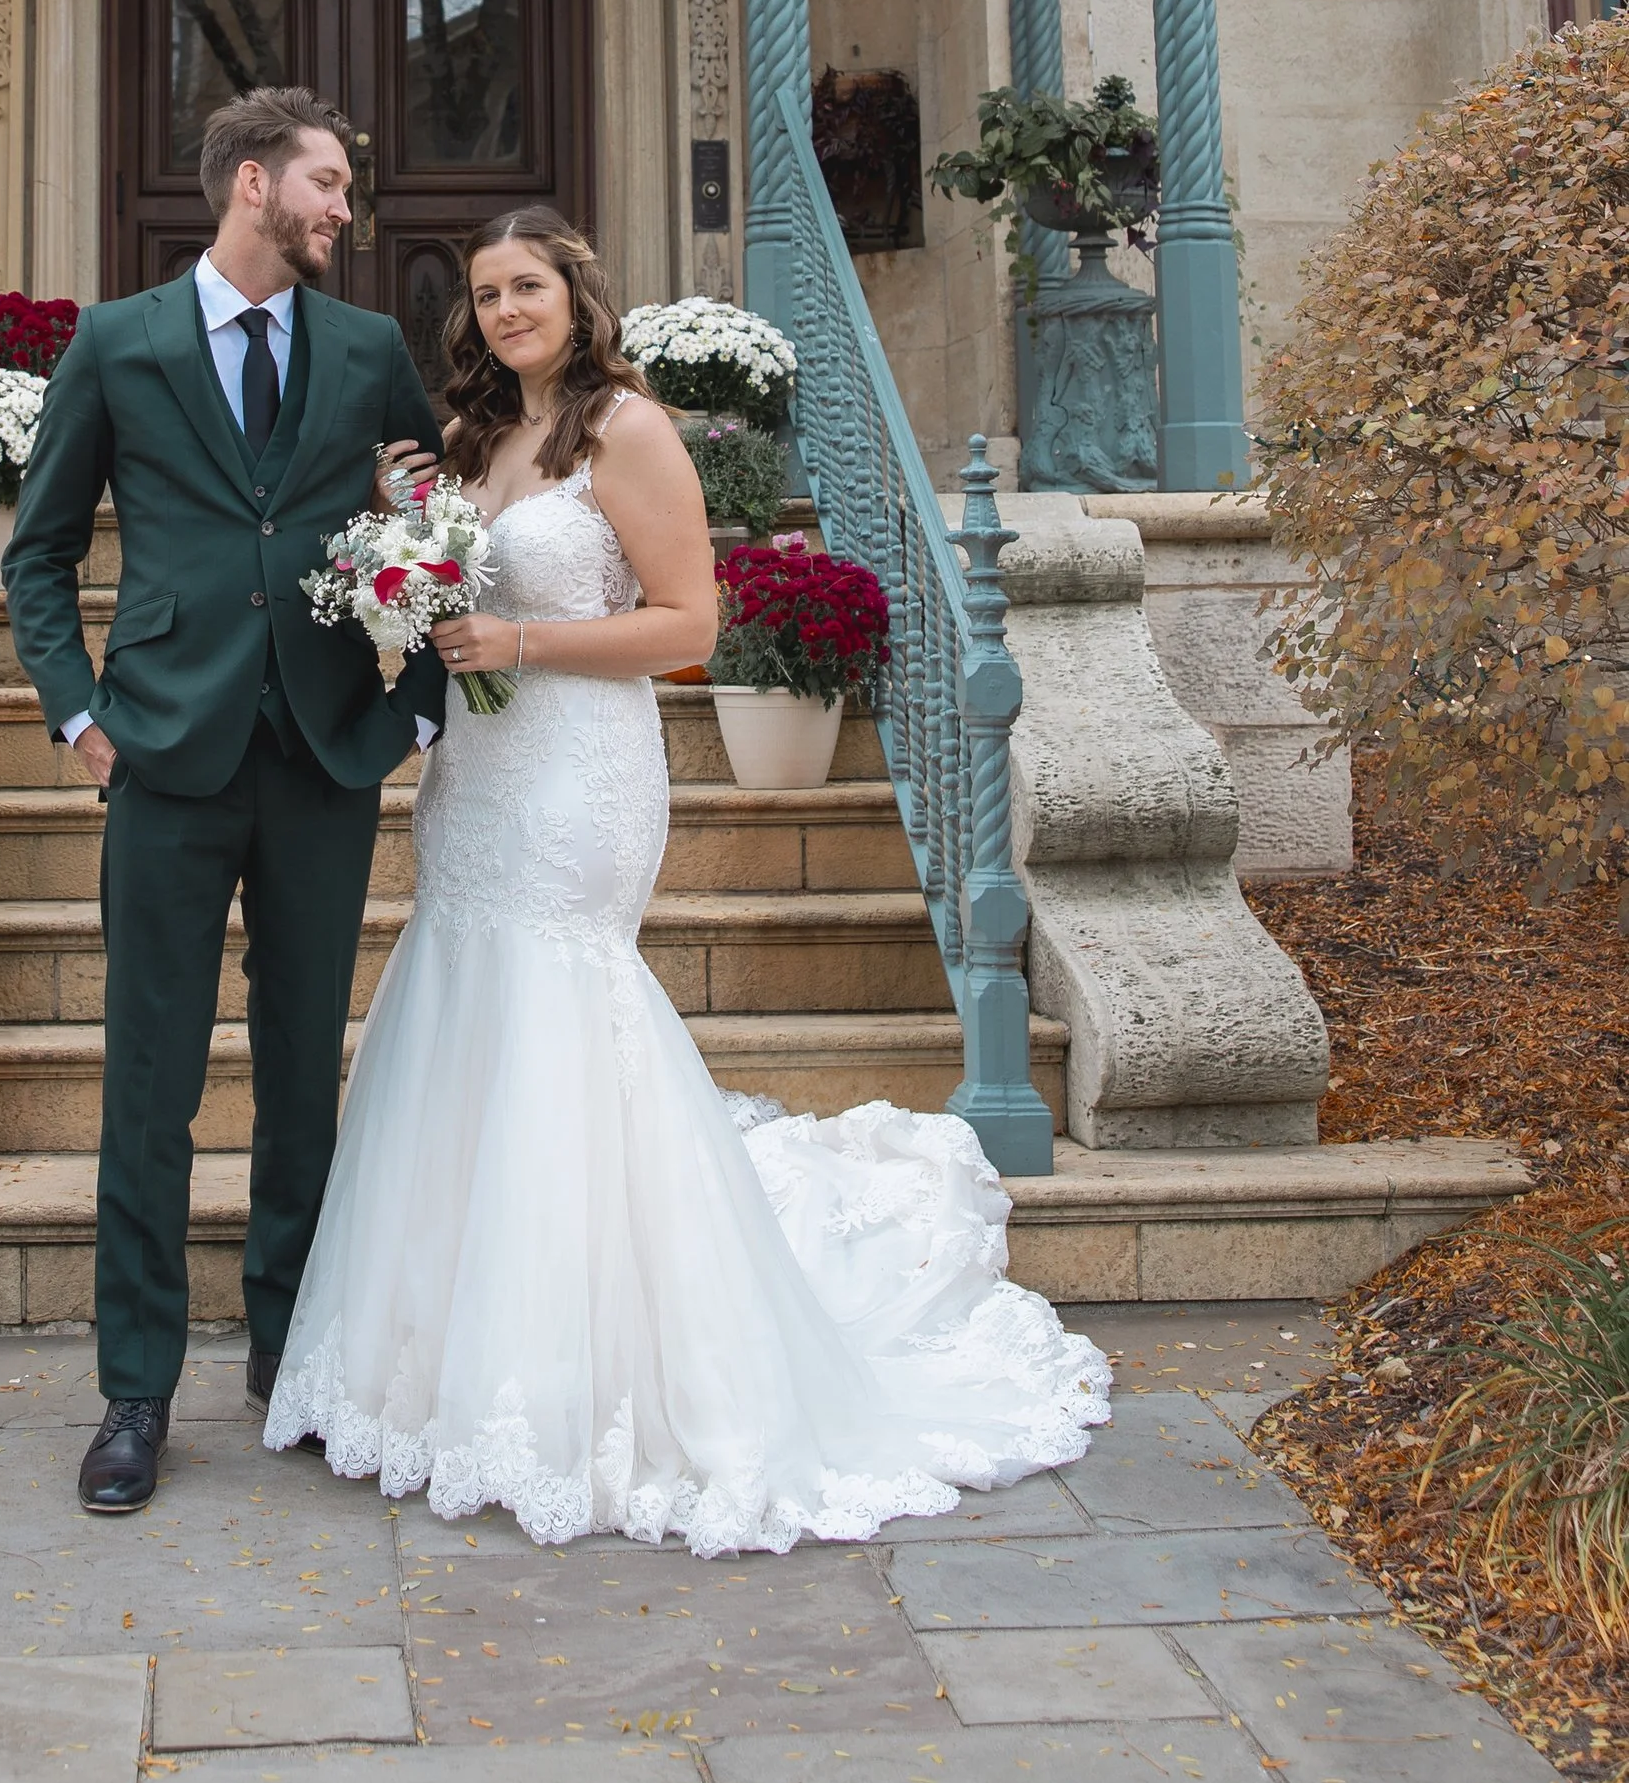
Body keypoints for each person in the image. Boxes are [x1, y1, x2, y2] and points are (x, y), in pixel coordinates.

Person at [263, 200, 1112, 1552]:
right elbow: (451, 598)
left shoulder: (628, 428)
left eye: (527, 284)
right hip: (477, 777)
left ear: (576, 292)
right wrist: (406, 560)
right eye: (485, 293)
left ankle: (581, 1373)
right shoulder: (480, 438)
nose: (505, 310)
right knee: (461, 994)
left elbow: (690, 625)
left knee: (561, 1006)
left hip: (578, 774)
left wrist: (524, 640)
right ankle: (433, 1367)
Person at [2, 84, 447, 1516]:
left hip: (321, 758)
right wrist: (82, 715)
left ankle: (287, 1358)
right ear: (254, 184)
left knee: (303, 1076)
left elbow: (427, 526)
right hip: (166, 761)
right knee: (150, 1086)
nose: (342, 209)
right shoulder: (118, 342)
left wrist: (412, 702)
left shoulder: (369, 347)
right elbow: (39, 550)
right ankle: (134, 1390)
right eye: (325, 183)